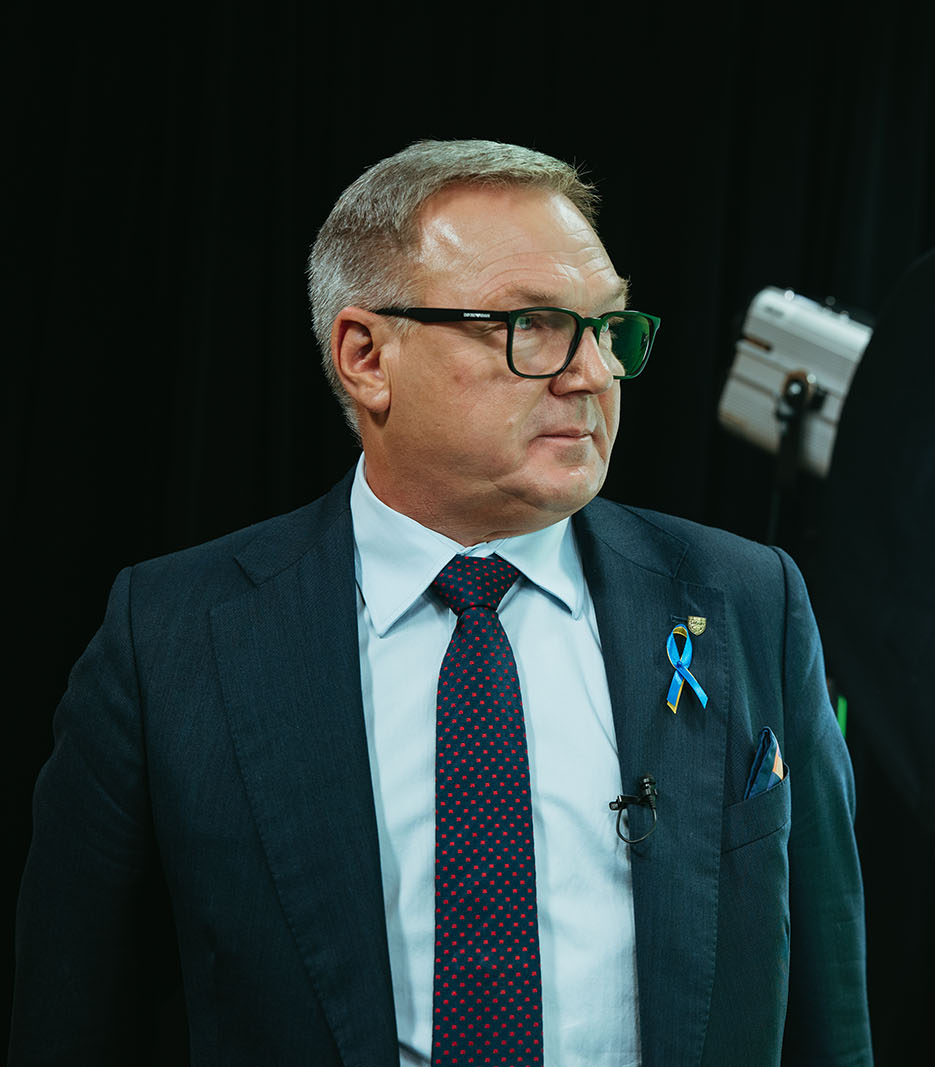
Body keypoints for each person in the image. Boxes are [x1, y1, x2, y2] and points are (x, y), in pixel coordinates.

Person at [11, 139, 871, 1066]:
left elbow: (828, 1013)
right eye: (534, 326)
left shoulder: (749, 602)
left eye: (608, 327)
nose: (592, 373)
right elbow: (71, 1021)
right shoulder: (169, 640)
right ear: (367, 356)